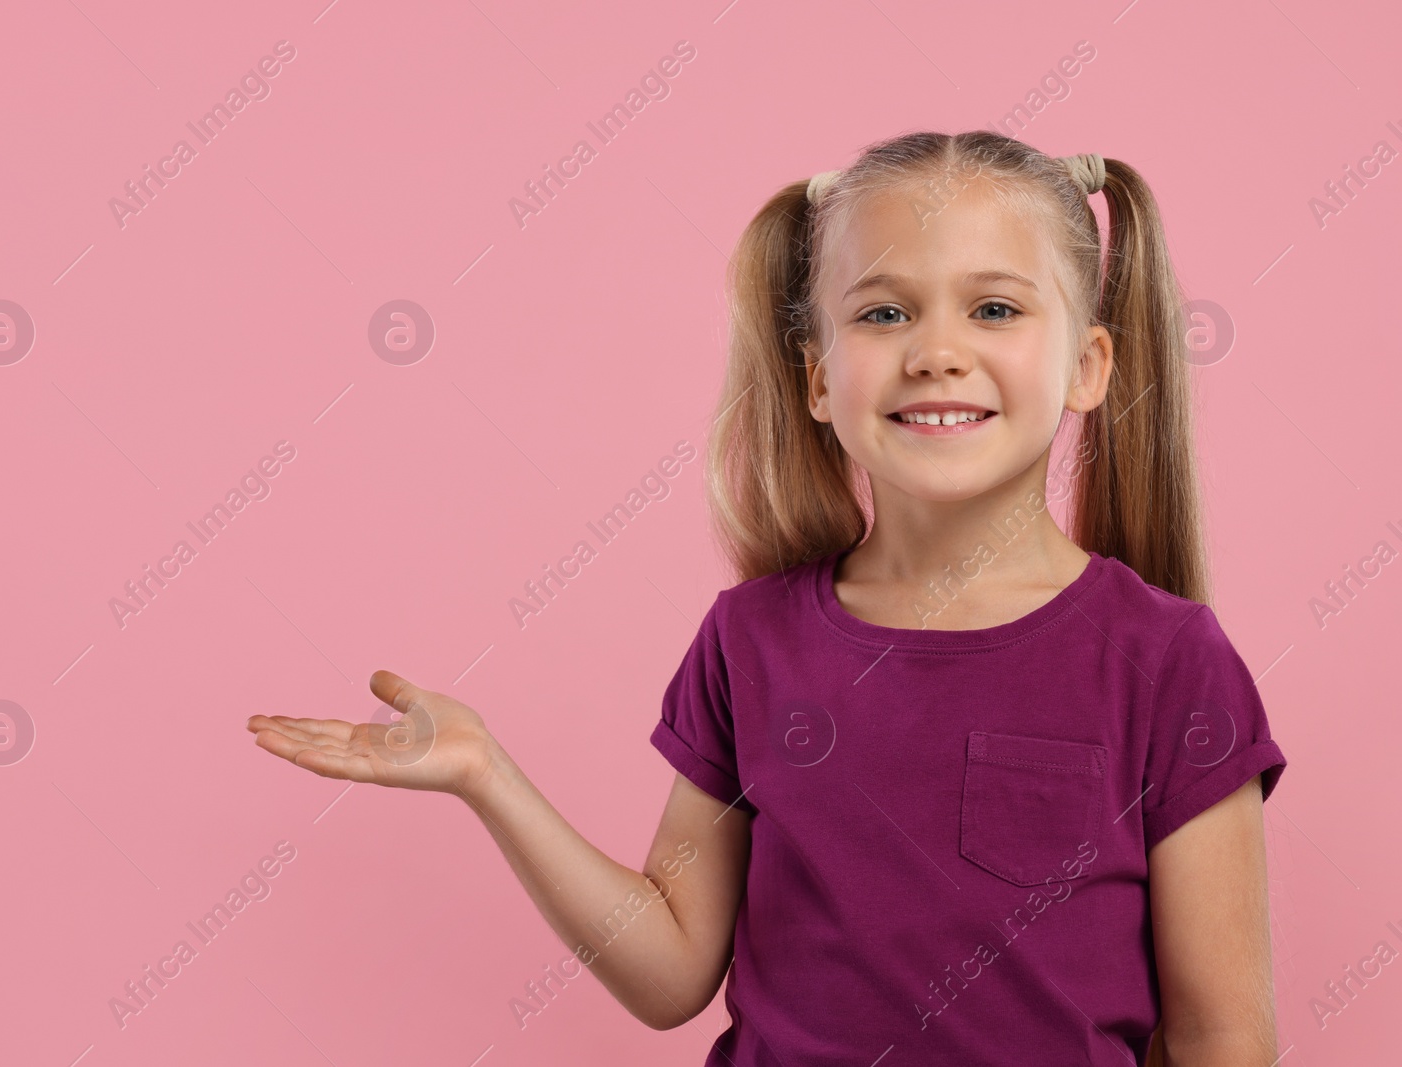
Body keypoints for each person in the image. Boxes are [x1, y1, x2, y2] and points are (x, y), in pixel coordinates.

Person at [246, 130, 1288, 1066]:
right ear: (817, 378)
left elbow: (1220, 1037)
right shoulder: (750, 641)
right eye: (882, 311)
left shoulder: (1164, 658)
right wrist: (485, 773)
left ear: (1088, 363)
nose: (934, 350)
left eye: (995, 307)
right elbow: (667, 973)